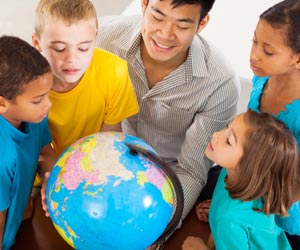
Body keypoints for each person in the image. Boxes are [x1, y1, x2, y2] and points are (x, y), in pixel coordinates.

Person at [96, 0, 240, 226]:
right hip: (104, 163)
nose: (165, 34)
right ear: (144, 4)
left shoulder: (220, 83)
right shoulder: (102, 39)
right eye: (158, 17)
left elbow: (192, 170)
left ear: (202, 23)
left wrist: (162, 227)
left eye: (182, 26)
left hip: (168, 180)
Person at [196, 1, 300, 243]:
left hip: (280, 210)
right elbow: (249, 141)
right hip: (249, 193)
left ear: (297, 59)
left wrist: (240, 212)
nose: (254, 55)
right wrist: (232, 199)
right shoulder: (262, 76)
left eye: (268, 50)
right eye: (254, 42)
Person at [32, 0, 139, 157]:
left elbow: (109, 139)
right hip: (45, 168)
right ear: (37, 43)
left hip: (94, 160)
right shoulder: (27, 83)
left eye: (83, 48)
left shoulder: (114, 71)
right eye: (59, 49)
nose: (72, 59)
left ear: (95, 38)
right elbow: (40, 150)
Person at [182, 109, 300, 250]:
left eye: (228, 141)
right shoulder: (231, 172)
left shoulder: (230, 219)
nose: (216, 134)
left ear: (248, 168)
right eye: (227, 127)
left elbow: (234, 218)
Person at [0, 35, 56, 250]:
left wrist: (52, 182)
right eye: (38, 100)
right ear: (2, 103)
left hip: (20, 219)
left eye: (48, 94)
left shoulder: (35, 117)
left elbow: (44, 152)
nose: (48, 105)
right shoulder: (2, 154)